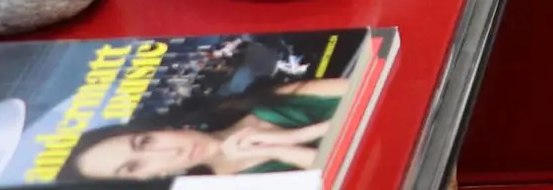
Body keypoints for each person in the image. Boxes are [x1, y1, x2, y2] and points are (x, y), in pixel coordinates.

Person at [68, 79, 348, 178]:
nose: (171, 151)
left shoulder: (260, 100)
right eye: (135, 167)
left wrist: (298, 135)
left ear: (160, 127)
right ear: (149, 178)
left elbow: (378, 88)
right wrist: (283, 149)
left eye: (146, 142)